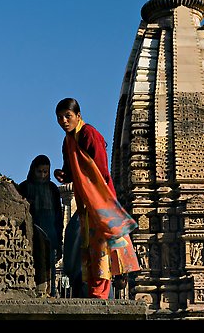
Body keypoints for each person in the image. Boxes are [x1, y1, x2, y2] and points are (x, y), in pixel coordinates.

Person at [53, 98, 141, 299]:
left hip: (100, 198)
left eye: (68, 116)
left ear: (78, 115)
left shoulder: (88, 134)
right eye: (59, 117)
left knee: (102, 245)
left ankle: (102, 291)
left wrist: (101, 198)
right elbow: (70, 170)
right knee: (88, 245)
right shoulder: (68, 141)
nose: (64, 121)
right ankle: (92, 289)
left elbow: (101, 170)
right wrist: (64, 175)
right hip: (86, 201)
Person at [18, 154, 63, 297]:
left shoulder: (53, 189)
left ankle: (49, 292)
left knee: (49, 264)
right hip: (30, 232)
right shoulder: (24, 187)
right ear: (33, 170)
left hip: (50, 232)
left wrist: (59, 239)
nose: (42, 175)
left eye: (45, 172)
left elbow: (58, 215)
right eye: (39, 172)